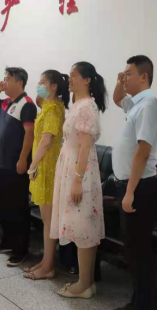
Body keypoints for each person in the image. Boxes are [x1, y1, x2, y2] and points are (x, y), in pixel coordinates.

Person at [113, 56, 157, 311]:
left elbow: (143, 151)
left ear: (144, 77)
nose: (125, 78)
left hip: (140, 188)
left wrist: (130, 191)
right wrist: (119, 81)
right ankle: (138, 302)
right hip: (131, 187)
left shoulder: (149, 105)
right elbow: (116, 99)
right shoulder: (135, 104)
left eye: (129, 74)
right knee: (133, 251)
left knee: (141, 252)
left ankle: (147, 305)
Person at [51, 62, 106, 300]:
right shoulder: (79, 104)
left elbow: (84, 146)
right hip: (72, 167)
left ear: (87, 80)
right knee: (81, 225)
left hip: (79, 170)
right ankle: (87, 282)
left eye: (74, 75)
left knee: (83, 226)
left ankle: (84, 284)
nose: (69, 79)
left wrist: (77, 180)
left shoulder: (86, 107)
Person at [0, 67, 37, 268]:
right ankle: (7, 241)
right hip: (3, 163)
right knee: (5, 205)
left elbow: (29, 134)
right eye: (4, 78)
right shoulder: (5, 102)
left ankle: (20, 249)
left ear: (20, 82)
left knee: (18, 207)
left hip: (17, 164)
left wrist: (23, 159)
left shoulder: (27, 104)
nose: (4, 82)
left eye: (8, 79)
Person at [24, 70, 69, 281]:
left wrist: (32, 166)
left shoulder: (53, 109)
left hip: (47, 167)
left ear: (54, 87)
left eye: (43, 82)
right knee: (46, 220)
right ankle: (45, 261)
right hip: (44, 165)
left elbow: (46, 140)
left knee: (49, 221)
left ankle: (49, 266)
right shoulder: (48, 106)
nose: (39, 85)